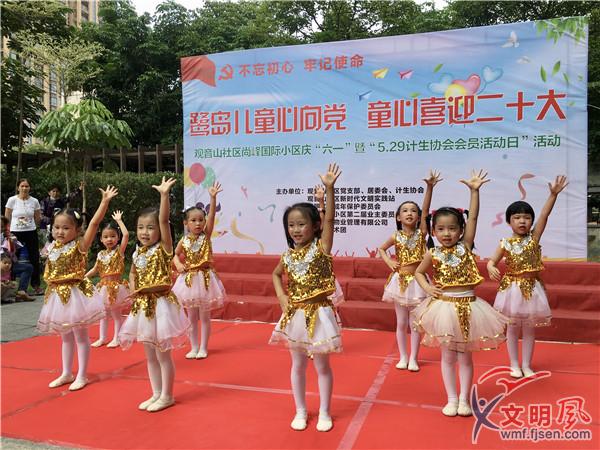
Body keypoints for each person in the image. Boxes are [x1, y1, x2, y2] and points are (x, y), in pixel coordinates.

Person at [413, 170, 508, 417]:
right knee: (447, 356)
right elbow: (419, 273)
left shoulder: (465, 246)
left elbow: (473, 216)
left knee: (465, 357)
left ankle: (464, 399)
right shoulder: (432, 253)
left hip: (470, 307)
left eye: (452, 229)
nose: (447, 234)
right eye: (441, 229)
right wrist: (427, 288)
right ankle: (452, 398)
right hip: (444, 307)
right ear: (433, 231)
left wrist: (474, 191)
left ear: (461, 230)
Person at [270, 163, 342, 432]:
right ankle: (300, 410)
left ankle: (324, 411)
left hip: (319, 313)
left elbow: (331, 220)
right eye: (291, 225)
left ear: (315, 226)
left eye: (301, 224)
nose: (296, 229)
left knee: (321, 365)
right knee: (298, 364)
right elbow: (276, 275)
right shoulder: (287, 256)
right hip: (296, 314)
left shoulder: (322, 247)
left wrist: (329, 190)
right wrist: (281, 296)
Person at [118, 177, 190, 412]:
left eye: (150, 227)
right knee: (149, 354)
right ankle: (156, 393)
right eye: (140, 227)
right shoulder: (137, 252)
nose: (145, 232)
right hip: (142, 307)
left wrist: (164, 196)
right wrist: (132, 288)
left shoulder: (164, 249)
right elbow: (132, 274)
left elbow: (164, 219)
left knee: (162, 355)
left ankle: (167, 395)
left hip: (161, 307)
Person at [36, 186, 118, 391]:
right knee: (65, 336)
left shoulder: (80, 245)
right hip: (57, 295)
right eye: (57, 227)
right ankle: (66, 372)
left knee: (81, 336)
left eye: (65, 228)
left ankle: (82, 375)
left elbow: (95, 223)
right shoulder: (51, 247)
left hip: (76, 294)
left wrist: (104, 202)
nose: (60, 231)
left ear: (77, 230)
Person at [487, 175, 568, 379]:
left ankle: (527, 365)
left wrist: (553, 195)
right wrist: (490, 266)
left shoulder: (534, 238)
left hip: (532, 288)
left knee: (530, 329)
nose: (522, 221)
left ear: (531, 221)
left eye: (526, 217)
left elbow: (544, 215)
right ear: (509, 221)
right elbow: (492, 261)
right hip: (512, 289)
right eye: (517, 217)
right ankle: (514, 365)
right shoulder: (505, 243)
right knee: (513, 328)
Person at [378, 170, 441, 371]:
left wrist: (429, 188)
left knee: (415, 323)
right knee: (401, 322)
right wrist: (389, 262)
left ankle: (414, 357)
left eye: (413, 210)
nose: (409, 213)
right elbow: (381, 249)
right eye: (405, 210)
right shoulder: (395, 236)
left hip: (418, 282)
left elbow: (426, 209)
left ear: (418, 216)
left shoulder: (421, 233)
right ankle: (403, 356)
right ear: (398, 216)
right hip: (400, 282)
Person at [172, 181, 226, 360]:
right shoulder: (184, 240)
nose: (198, 223)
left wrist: (212, 198)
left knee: (205, 316)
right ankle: (193, 346)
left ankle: (203, 347)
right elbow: (175, 255)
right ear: (186, 223)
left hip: (204, 279)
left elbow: (211, 217)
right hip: (188, 280)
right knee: (191, 316)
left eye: (200, 220)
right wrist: (178, 264)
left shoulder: (206, 236)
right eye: (193, 220)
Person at [85, 211, 131, 348]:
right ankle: (102, 338)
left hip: (116, 288)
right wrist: (83, 277)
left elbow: (126, 235)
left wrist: (119, 221)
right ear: (101, 239)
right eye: (106, 237)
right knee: (103, 314)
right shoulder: (100, 254)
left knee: (116, 314)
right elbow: (95, 269)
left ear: (118, 237)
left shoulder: (119, 252)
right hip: (103, 288)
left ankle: (117, 338)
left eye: (112, 236)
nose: (109, 239)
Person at [4, 179, 42, 294]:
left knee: (34, 258)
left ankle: (36, 285)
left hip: (31, 231)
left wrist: (32, 225)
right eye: (22, 186)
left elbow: (38, 218)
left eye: (27, 186)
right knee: (12, 257)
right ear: (18, 188)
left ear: (29, 188)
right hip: (15, 232)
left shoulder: (34, 201)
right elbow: (7, 218)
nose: (24, 188)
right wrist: (7, 232)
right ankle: (9, 284)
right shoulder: (12, 200)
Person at [1, 216, 34, 302]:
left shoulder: (8, 236)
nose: (0, 228)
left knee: (28, 267)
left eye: (2, 226)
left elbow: (16, 248)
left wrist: (13, 241)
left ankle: (21, 292)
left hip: (9, 264)